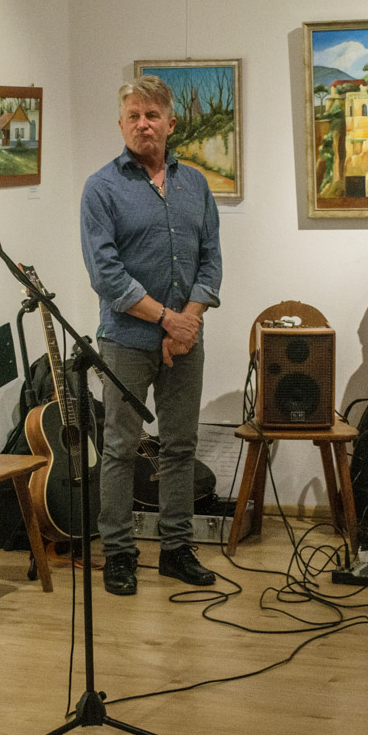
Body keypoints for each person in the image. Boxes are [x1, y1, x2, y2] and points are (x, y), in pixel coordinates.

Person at [80, 75, 223, 596]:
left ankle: (176, 549)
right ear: (121, 124)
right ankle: (119, 553)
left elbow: (211, 261)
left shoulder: (196, 185)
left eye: (152, 115)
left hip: (186, 340)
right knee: (120, 448)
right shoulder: (101, 188)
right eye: (134, 116)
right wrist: (168, 320)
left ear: (170, 123)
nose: (143, 124)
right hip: (125, 340)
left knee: (180, 446)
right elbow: (106, 275)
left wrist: (189, 322)